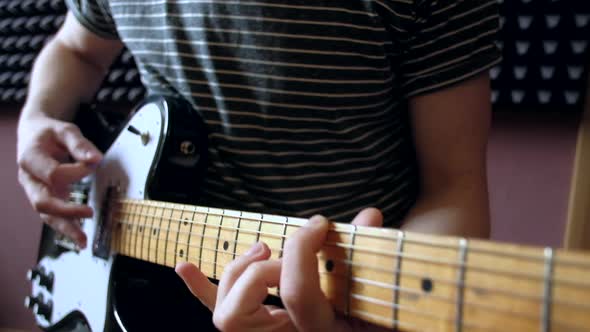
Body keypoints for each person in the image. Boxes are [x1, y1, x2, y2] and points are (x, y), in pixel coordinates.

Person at [17, 0, 500, 330]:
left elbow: (453, 187)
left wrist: (382, 320)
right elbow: (76, 49)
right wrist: (36, 118)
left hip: (345, 304)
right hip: (151, 294)